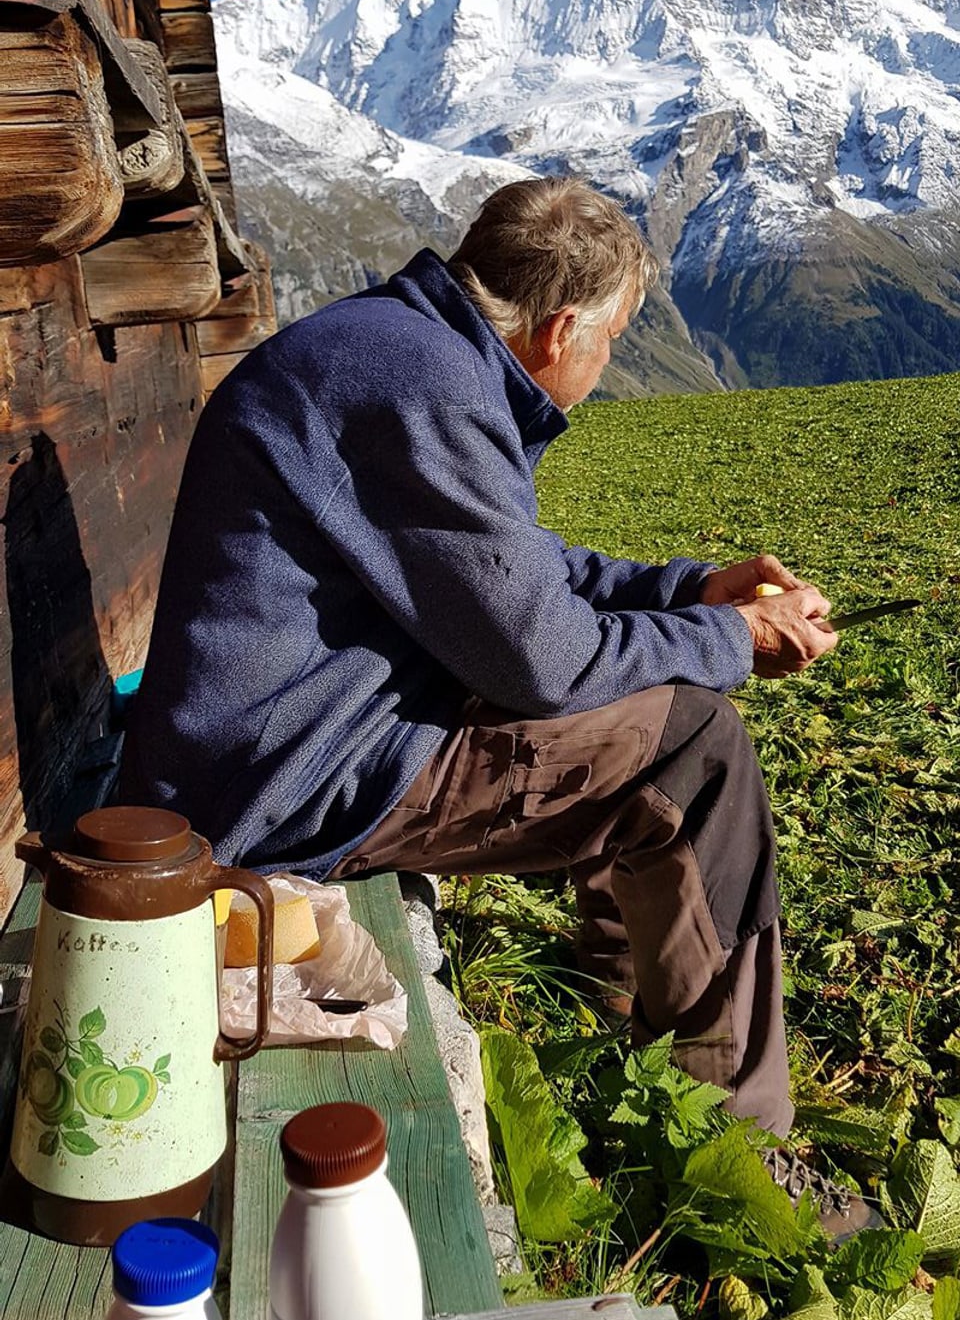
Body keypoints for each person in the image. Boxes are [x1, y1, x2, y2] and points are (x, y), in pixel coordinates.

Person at [120, 176, 874, 1238]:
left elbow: (511, 576)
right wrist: (732, 639)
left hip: (284, 737)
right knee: (690, 743)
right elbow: (545, 662)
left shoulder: (400, 349)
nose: (604, 368)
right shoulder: (420, 383)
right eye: (611, 339)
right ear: (562, 327)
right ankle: (736, 1150)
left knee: (648, 710)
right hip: (288, 786)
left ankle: (637, 1034)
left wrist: (688, 590)